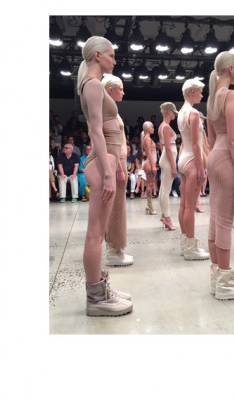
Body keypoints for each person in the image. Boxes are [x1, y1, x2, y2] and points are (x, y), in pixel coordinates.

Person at [77, 36, 132, 316]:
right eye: (111, 55)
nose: (114, 60)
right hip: (102, 164)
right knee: (96, 234)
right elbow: (96, 131)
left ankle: (100, 288)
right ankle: (96, 298)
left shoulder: (93, 84)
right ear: (98, 55)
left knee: (98, 233)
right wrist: (109, 175)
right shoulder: (93, 85)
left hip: (105, 161)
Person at [206, 51, 234, 299]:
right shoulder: (231, 95)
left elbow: (212, 139)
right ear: (231, 69)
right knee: (224, 221)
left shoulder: (212, 98)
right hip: (226, 159)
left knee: (215, 218)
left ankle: (217, 277)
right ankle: (225, 282)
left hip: (215, 157)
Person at [100, 74, 134, 267]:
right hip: (115, 161)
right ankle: (113, 249)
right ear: (110, 90)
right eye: (120, 89)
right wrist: (120, 169)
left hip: (117, 160)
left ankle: (116, 247)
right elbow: (110, 144)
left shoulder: (110, 110)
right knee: (115, 207)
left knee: (117, 206)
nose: (123, 92)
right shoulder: (107, 111)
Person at [177, 78, 210, 260]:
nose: (202, 95)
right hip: (192, 160)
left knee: (184, 204)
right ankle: (191, 248)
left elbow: (186, 141)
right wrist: (201, 168)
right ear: (192, 92)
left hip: (183, 158)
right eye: (200, 92)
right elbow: (197, 144)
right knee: (190, 206)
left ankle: (185, 243)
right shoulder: (194, 113)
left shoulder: (181, 112)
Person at [158, 102, 179, 231]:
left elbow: (163, 147)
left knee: (163, 190)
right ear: (168, 112)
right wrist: (173, 166)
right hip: (167, 160)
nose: (175, 115)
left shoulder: (162, 126)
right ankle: (167, 218)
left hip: (165, 158)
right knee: (165, 191)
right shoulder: (165, 127)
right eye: (173, 112)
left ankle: (164, 215)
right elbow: (167, 148)